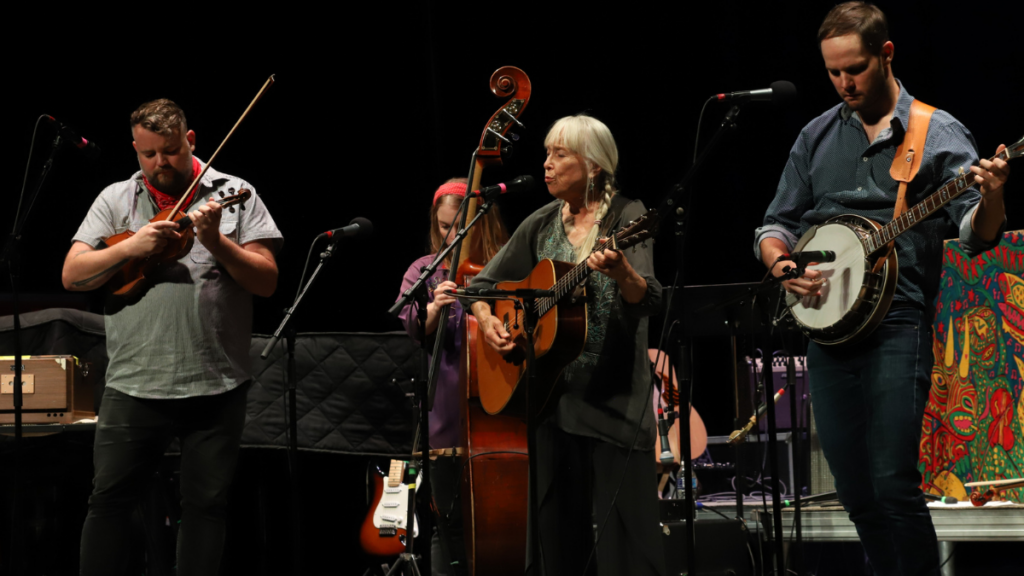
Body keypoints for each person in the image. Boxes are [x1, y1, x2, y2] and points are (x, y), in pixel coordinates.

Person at [754, 3, 1010, 575]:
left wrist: (991, 194)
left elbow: (975, 234)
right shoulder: (815, 136)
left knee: (893, 482)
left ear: (886, 54)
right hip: (826, 322)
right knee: (855, 492)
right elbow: (775, 225)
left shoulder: (935, 131)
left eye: (857, 69)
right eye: (833, 72)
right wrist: (784, 267)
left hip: (897, 320)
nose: (845, 83)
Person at [62, 98, 283, 575]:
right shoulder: (115, 199)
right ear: (135, 149)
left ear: (191, 140)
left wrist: (217, 243)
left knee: (206, 506)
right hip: (133, 383)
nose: (160, 163)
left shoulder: (235, 191)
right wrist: (135, 245)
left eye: (170, 151)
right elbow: (72, 274)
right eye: (148, 154)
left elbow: (266, 281)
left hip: (216, 383)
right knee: (109, 502)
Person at [471, 114, 666, 576]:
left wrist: (622, 273)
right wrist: (489, 323)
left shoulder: (628, 216)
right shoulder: (540, 222)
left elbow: (649, 298)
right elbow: (481, 287)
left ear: (594, 166)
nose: (547, 164)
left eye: (560, 154)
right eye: (546, 154)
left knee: (629, 551)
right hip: (552, 403)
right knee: (557, 546)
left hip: (614, 403)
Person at [394, 178, 509, 574]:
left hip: (503, 414)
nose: (452, 235)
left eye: (460, 226)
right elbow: (411, 324)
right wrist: (433, 309)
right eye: (444, 227)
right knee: (447, 525)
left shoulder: (505, 266)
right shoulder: (424, 270)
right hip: (446, 417)